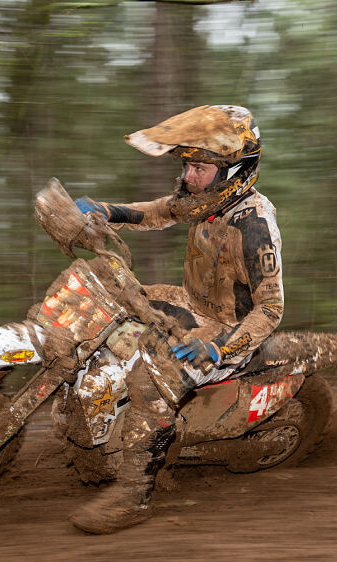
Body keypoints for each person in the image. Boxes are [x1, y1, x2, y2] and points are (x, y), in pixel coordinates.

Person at [68, 104, 284, 534]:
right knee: (107, 295)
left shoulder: (255, 225)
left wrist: (218, 348)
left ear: (233, 171)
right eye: (187, 165)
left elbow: (271, 308)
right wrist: (106, 210)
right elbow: (159, 211)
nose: (188, 176)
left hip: (227, 331)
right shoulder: (205, 201)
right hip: (191, 302)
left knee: (151, 380)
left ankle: (134, 495)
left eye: (199, 167)